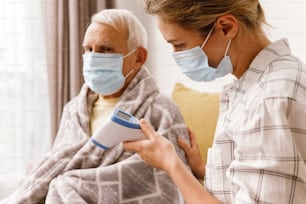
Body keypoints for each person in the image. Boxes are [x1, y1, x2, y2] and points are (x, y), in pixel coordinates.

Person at [1, 9, 191, 204]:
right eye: (88, 49)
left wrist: (73, 184)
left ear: (139, 57)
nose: (93, 57)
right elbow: (58, 163)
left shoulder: (162, 110)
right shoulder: (73, 111)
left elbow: (170, 183)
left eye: (106, 49)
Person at [124, 0, 306, 203]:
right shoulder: (265, 82)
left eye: (179, 44)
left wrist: (171, 164)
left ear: (226, 27)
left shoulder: (267, 100)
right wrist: (204, 170)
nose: (176, 56)